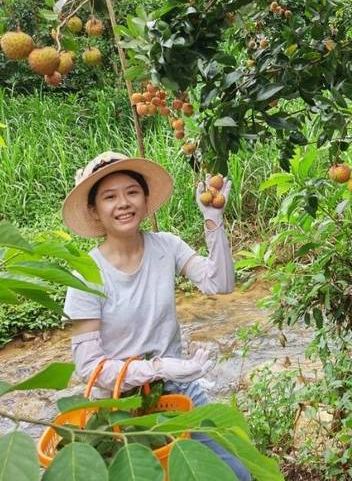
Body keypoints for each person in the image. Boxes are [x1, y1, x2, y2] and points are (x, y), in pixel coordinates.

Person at [62, 150, 251, 481]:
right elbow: (90, 367)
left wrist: (213, 220)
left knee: (236, 474)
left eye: (132, 192)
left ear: (146, 201)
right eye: (109, 196)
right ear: (95, 211)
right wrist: (158, 366)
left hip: (178, 390)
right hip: (119, 408)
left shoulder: (167, 247)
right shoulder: (86, 275)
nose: (123, 203)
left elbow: (219, 283)